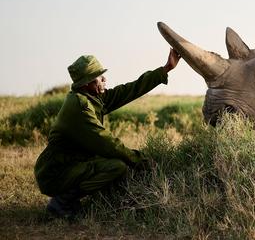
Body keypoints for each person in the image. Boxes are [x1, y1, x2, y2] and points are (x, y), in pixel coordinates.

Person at [34, 49, 181, 218]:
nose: (104, 79)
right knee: (116, 166)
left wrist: (166, 68)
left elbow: (129, 90)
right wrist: (139, 160)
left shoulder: (89, 97)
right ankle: (60, 202)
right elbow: (107, 143)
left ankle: (101, 199)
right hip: (56, 173)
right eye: (98, 76)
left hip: (72, 164)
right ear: (86, 83)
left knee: (115, 163)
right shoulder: (80, 108)